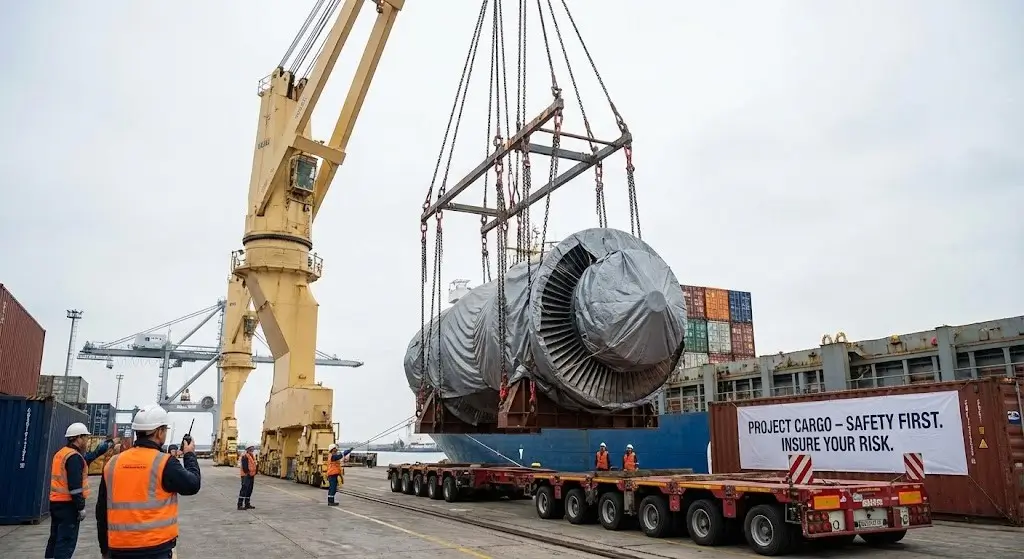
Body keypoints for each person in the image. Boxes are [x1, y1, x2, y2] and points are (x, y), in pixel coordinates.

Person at [96, 404, 201, 559]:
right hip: (155, 548)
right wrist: (189, 455)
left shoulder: (113, 463)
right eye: (165, 430)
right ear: (159, 432)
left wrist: (104, 549)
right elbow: (192, 485)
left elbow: (101, 510)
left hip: (118, 549)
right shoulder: (165, 462)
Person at [45, 423, 115, 559]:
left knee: (54, 539)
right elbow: (75, 486)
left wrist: (102, 449)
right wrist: (80, 507)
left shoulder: (62, 454)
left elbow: (85, 460)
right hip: (68, 505)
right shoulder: (73, 457)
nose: (87, 441)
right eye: (86, 438)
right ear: (78, 438)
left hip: (56, 503)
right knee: (66, 541)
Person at [238, 444, 257, 510]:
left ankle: (247, 504)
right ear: (248, 449)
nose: (253, 449)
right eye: (252, 448)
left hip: (251, 475)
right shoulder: (245, 456)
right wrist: (248, 473)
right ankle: (240, 505)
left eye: (253, 448)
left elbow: (253, 465)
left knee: (249, 490)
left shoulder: (252, 456)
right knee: (244, 489)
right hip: (246, 475)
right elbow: (245, 467)